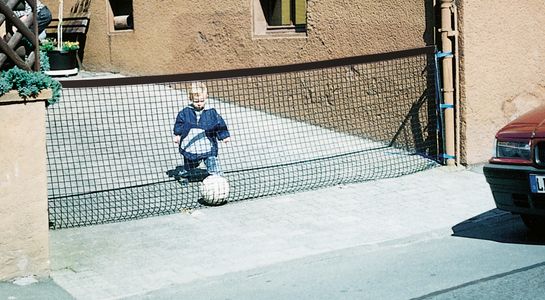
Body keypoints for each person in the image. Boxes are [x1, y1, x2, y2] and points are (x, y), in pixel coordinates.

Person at [173, 82, 231, 176]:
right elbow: (179, 123)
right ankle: (184, 174)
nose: (199, 103)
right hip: (190, 145)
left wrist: (224, 136)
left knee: (211, 161)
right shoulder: (185, 112)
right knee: (190, 164)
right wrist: (177, 134)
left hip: (207, 144)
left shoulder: (211, 112)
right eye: (196, 101)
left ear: (206, 97)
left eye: (202, 100)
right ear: (190, 98)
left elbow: (219, 124)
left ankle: (216, 176)